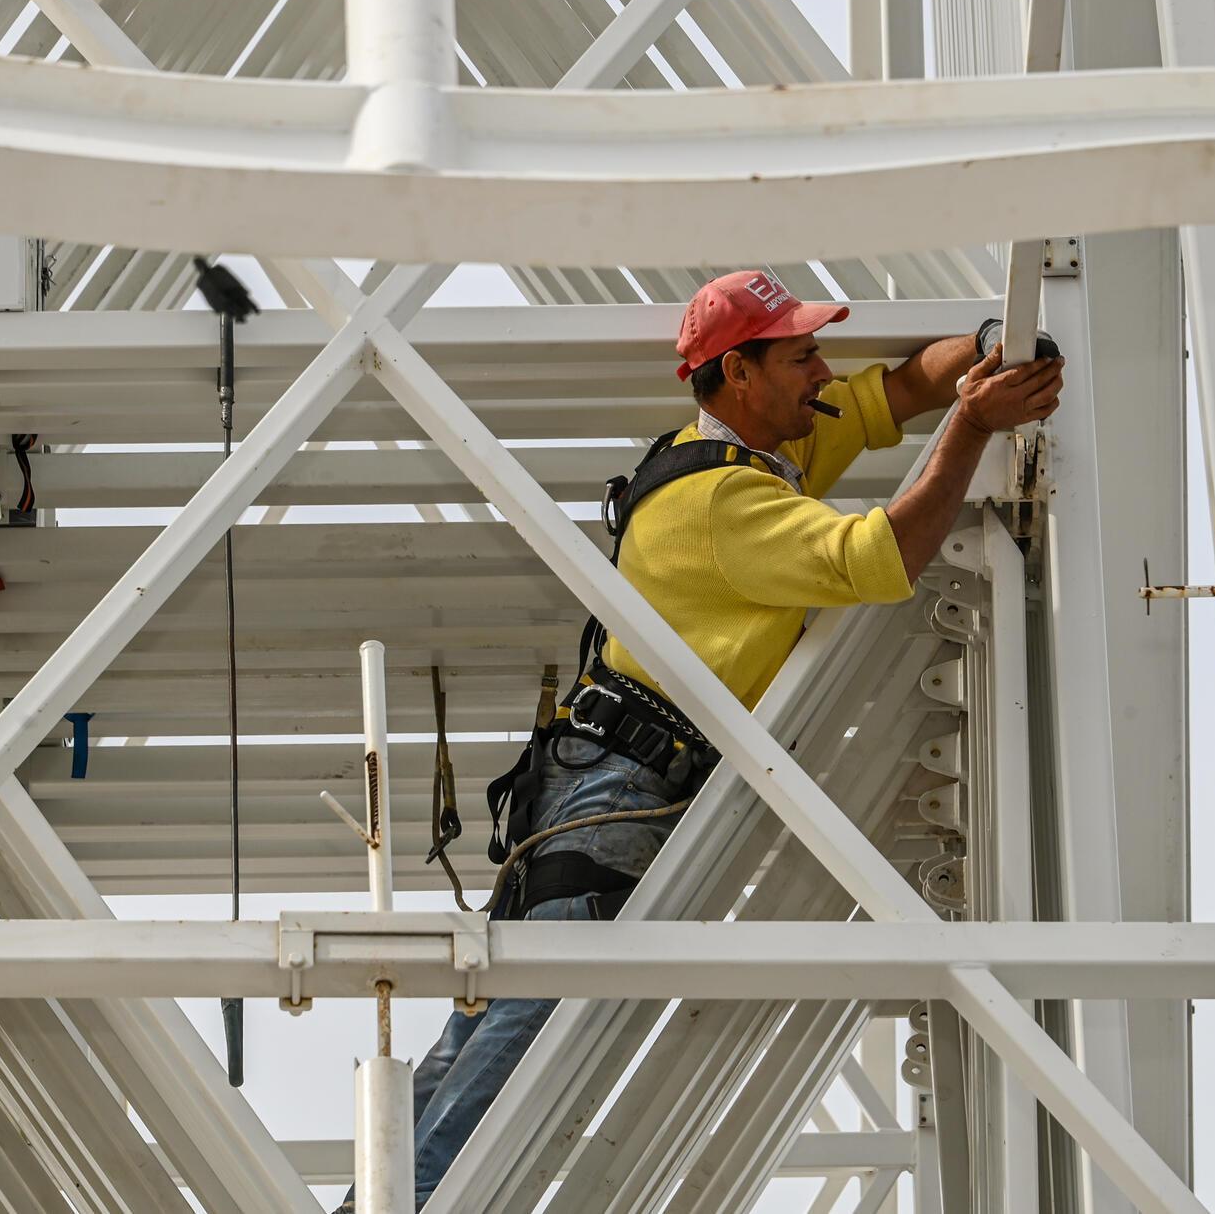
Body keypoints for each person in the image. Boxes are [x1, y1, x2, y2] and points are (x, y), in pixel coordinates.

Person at [338, 270, 1064, 1211]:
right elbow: (880, 558)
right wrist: (971, 427)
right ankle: (412, 1202)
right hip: (621, 791)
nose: (822, 371)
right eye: (802, 355)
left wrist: (981, 349)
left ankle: (383, 1198)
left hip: (601, 782)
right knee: (524, 1036)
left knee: (491, 1028)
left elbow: (902, 388)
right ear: (738, 374)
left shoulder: (748, 451)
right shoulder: (721, 504)